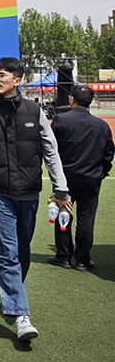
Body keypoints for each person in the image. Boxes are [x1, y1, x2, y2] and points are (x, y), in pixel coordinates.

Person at [0, 57, 68, 342]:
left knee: (22, 251)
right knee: (6, 252)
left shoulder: (34, 111)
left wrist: (61, 188)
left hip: (29, 193)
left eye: (2, 75)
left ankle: (12, 295)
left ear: (18, 80)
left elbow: (50, 150)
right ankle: (22, 316)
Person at [47, 84, 114, 271]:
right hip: (91, 179)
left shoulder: (60, 120)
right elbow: (109, 153)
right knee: (86, 219)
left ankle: (63, 256)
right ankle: (82, 260)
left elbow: (50, 149)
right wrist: (102, 173)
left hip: (64, 179)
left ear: (72, 99)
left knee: (63, 214)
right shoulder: (101, 125)